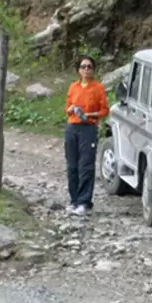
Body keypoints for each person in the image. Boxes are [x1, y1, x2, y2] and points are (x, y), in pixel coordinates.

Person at [64, 55, 110, 216]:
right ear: (78, 70)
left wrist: (90, 114)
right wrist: (71, 109)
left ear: (93, 69)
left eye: (89, 67)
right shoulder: (73, 86)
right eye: (83, 66)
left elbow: (105, 110)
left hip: (88, 128)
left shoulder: (98, 88)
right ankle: (74, 200)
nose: (86, 69)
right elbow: (68, 106)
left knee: (86, 166)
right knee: (72, 166)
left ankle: (84, 202)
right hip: (72, 127)